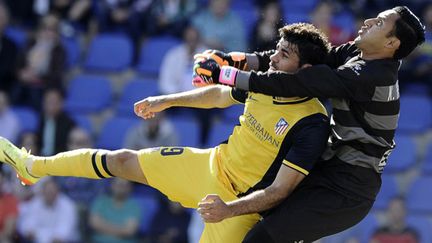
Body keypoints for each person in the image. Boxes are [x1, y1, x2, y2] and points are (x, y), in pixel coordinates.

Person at [0, 23, 331, 242]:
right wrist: (166, 101)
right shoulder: (265, 83)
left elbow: (280, 191)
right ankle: (32, 167)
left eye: (283, 55)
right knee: (121, 160)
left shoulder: (312, 122)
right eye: (276, 49)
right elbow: (218, 95)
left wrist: (228, 210)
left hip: (238, 204)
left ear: (306, 71)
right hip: (209, 165)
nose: (272, 59)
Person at [192, 5, 425, 243]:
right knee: (254, 216)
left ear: (391, 44)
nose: (368, 21)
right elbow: (300, 61)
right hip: (328, 169)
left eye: (379, 23)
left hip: (345, 191)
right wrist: (234, 59)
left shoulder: (373, 77)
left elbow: (297, 82)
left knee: (260, 238)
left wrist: (225, 75)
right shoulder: (358, 52)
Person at [89, 178, 141, 243]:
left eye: (124, 185)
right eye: (118, 185)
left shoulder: (134, 206)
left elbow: (129, 231)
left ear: (129, 188)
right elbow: (94, 224)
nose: (121, 188)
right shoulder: (101, 201)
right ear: (112, 185)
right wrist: (121, 230)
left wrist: (103, 227)